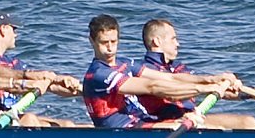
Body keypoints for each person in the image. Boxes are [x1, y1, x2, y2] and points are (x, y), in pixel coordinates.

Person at [82, 13, 237, 130]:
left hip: (143, 122)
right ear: (92, 41)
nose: (110, 48)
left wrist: (211, 80)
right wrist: (203, 90)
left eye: (113, 42)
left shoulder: (125, 63)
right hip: (124, 131)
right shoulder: (98, 74)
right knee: (206, 129)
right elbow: (153, 87)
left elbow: (169, 78)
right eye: (104, 42)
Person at [134, 16, 255, 130]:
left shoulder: (177, 67)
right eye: (173, 39)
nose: (178, 44)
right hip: (169, 124)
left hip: (193, 118)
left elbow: (215, 89)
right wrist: (212, 81)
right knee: (247, 123)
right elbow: (174, 85)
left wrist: (252, 94)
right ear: (157, 41)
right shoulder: (146, 70)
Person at [0, 9, 80, 128]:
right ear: (3, 29)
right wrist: (35, 77)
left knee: (66, 125)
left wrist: (72, 86)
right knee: (29, 119)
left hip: (9, 117)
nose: (16, 34)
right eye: (14, 29)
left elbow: (49, 86)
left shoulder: (12, 62)